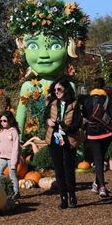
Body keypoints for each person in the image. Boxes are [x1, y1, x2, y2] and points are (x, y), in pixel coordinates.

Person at [7, 0, 89, 141]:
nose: (43, 55)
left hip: (62, 137)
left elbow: (75, 116)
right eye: (33, 46)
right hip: (36, 138)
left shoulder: (69, 86)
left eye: (55, 46)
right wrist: (18, 141)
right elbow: (21, 115)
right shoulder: (28, 87)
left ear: (69, 48)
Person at [44, 76, 82, 209]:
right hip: (54, 139)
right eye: (54, 89)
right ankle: (63, 198)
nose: (56, 91)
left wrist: (66, 128)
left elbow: (78, 123)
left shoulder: (74, 104)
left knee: (69, 169)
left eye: (59, 89)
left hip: (68, 139)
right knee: (59, 169)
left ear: (65, 89)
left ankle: (72, 195)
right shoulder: (52, 103)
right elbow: (45, 117)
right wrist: (48, 121)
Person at [82, 77, 112, 198]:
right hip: (106, 132)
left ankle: (100, 185)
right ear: (103, 86)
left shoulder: (87, 100)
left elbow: (85, 115)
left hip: (92, 133)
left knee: (98, 159)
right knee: (100, 158)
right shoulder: (108, 99)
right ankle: (99, 185)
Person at [0, 111, 21, 199]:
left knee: (13, 175)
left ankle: (16, 192)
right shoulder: (2, 131)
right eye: (1, 121)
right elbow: (0, 143)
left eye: (5, 121)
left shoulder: (14, 131)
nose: (2, 123)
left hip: (12, 158)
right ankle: (7, 186)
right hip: (3, 156)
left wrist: (14, 162)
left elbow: (16, 148)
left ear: (10, 120)